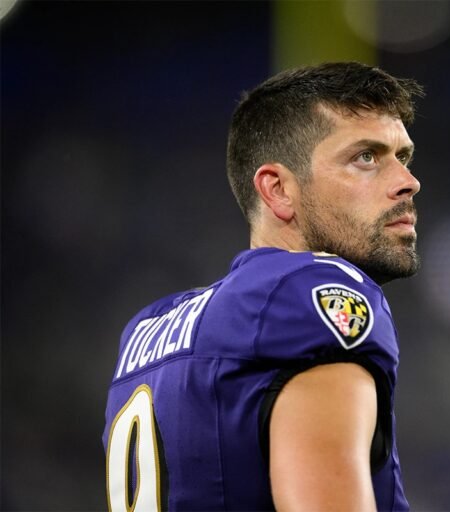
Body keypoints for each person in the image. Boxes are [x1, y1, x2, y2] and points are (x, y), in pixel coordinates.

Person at [102, 62, 423, 511]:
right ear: (277, 190)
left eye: (402, 158)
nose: (409, 183)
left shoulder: (148, 330)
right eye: (366, 157)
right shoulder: (314, 290)